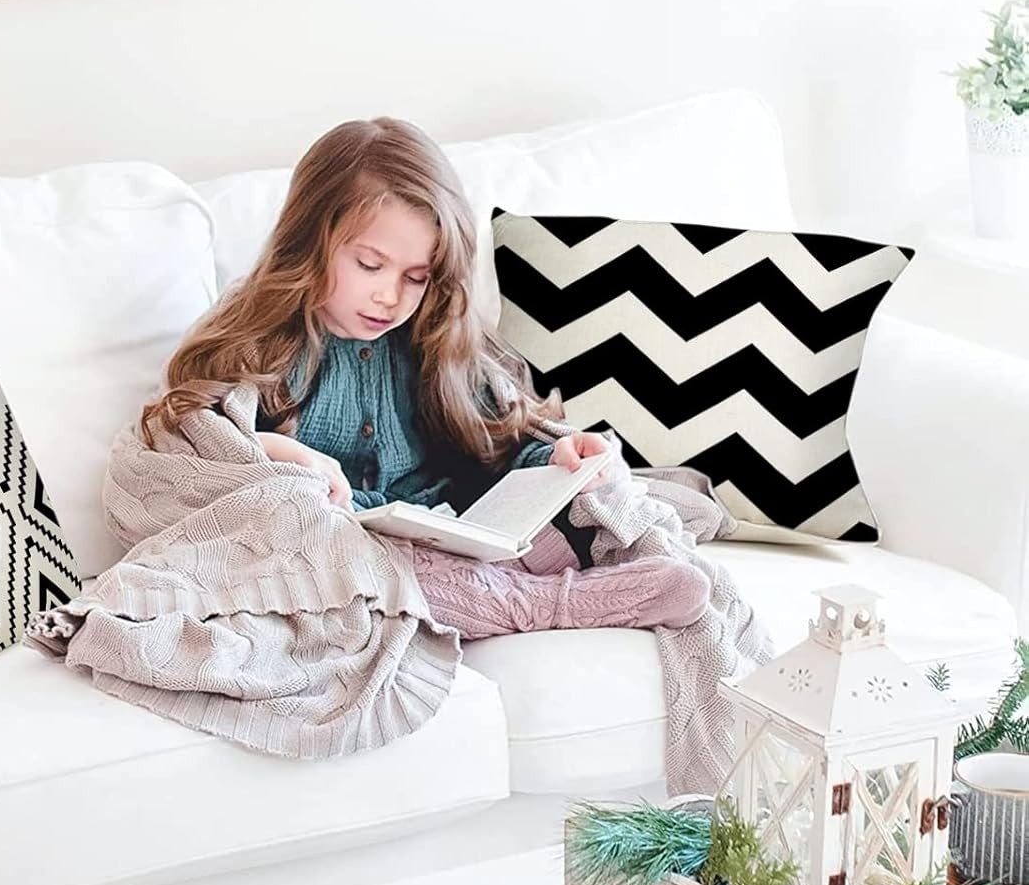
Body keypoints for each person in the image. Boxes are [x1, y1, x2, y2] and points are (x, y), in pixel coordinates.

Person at [140, 117, 711, 639]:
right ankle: (548, 604)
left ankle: (531, 584)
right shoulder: (259, 335)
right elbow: (191, 450)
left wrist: (557, 461)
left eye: (416, 277)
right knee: (355, 571)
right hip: (343, 546)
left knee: (575, 514)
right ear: (309, 241)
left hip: (446, 528)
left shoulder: (433, 336)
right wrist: (278, 453)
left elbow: (496, 442)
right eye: (370, 266)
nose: (390, 297)